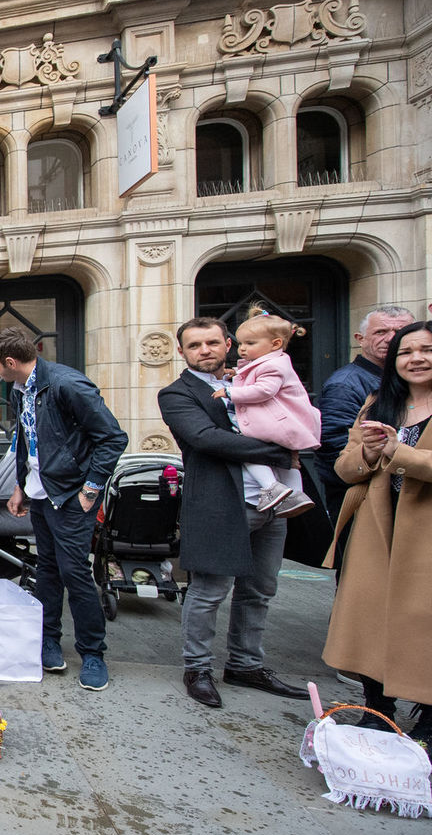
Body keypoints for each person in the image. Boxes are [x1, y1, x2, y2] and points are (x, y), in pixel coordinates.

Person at [158, 318, 311, 709]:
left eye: (212, 342)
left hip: (275, 502)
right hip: (221, 503)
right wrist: (277, 452)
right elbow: (204, 439)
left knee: (260, 590)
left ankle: (245, 664)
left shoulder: (252, 381)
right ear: (182, 352)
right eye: (194, 345)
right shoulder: (176, 394)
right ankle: (198, 668)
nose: (204, 350)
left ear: (228, 344)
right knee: (209, 592)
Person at [0, 326, 128, 691]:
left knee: (75, 573)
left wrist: (90, 490)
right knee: (46, 569)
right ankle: (48, 640)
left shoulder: (68, 385)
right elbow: (26, 442)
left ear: (11, 362)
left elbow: (113, 438)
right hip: (39, 494)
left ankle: (92, 653)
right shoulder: (19, 390)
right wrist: (20, 487)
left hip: (70, 496)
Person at [322, 321, 432, 744]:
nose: (415, 359)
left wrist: (397, 452)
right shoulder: (378, 402)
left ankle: (427, 720)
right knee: (370, 617)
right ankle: (376, 710)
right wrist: (368, 451)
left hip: (423, 530)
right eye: (406, 352)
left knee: (421, 621)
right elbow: (345, 468)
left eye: (425, 350)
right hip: (378, 525)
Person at [212, 310, 320, 516]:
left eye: (250, 344)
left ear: (276, 344)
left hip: (274, 422)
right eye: (241, 344)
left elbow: (263, 390)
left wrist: (230, 392)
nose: (242, 349)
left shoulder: (273, 366)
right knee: (288, 462)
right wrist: (237, 373)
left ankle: (271, 487)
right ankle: (297, 495)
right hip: (282, 422)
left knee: (249, 451)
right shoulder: (273, 362)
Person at [316, 306, 414, 520]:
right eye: (381, 332)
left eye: (401, 331)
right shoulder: (345, 384)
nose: (391, 338)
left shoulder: (412, 382)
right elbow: (334, 449)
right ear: (360, 339)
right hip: (361, 498)